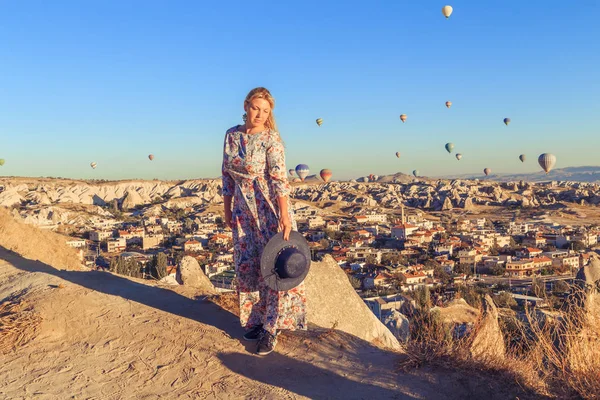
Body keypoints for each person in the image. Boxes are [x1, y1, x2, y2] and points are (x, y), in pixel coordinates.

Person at [221, 87, 307, 356]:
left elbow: (280, 179)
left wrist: (284, 215)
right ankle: (257, 320)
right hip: (243, 211)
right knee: (249, 265)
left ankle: (272, 328)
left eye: (266, 111)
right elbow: (226, 174)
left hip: (269, 208)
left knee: (275, 267)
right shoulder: (232, 135)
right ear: (246, 105)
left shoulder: (272, 139)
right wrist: (227, 209)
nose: (259, 114)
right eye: (256, 108)